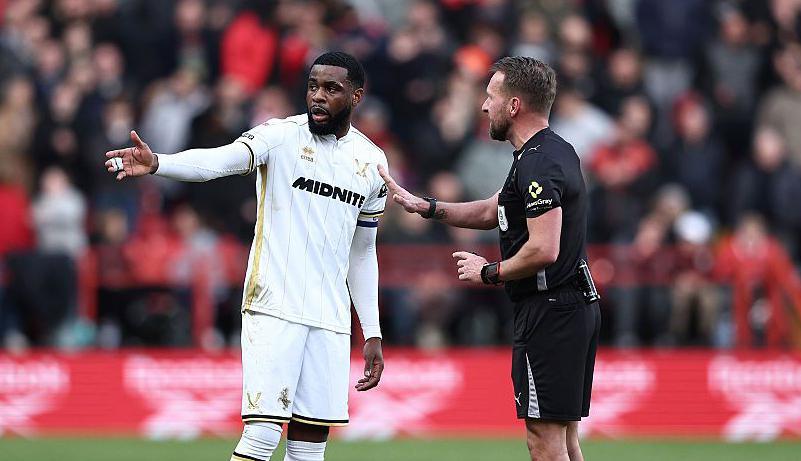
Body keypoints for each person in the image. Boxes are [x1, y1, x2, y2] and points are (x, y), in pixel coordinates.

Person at [104, 52, 387, 461]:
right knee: (261, 438)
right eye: (312, 86)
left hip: (330, 318)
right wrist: (159, 164)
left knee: (310, 449)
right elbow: (219, 161)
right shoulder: (280, 136)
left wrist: (373, 330)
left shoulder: (372, 162)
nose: (318, 96)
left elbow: (363, 252)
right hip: (274, 305)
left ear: (356, 96)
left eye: (331, 89)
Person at [379, 56, 600, 461]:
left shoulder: (538, 163)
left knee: (544, 443)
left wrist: (490, 272)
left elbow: (543, 249)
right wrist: (427, 207)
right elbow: (492, 210)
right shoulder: (551, 151)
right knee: (566, 441)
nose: (483, 106)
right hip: (569, 308)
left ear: (513, 106)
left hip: (550, 312)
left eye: (491, 96)